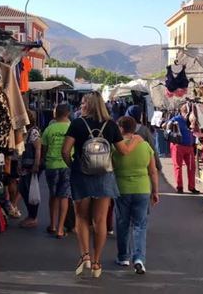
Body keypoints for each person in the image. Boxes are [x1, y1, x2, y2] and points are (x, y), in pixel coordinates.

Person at [62, 92, 143, 278]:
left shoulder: (77, 124)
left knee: (81, 218)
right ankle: (97, 261)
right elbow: (123, 151)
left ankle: (85, 256)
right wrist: (136, 140)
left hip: (81, 175)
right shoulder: (112, 125)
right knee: (100, 221)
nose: (81, 106)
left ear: (89, 105)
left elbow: (65, 151)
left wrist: (73, 165)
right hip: (105, 176)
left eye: (83, 103)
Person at [112, 116, 160, 274]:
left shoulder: (116, 147)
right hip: (142, 189)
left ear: (120, 128)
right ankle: (139, 258)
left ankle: (123, 256)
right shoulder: (145, 145)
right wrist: (155, 191)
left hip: (121, 188)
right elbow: (152, 171)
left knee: (122, 223)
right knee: (140, 225)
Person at [42, 104, 72, 238]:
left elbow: (44, 148)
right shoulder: (72, 128)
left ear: (55, 114)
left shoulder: (49, 129)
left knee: (53, 195)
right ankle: (60, 229)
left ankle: (52, 225)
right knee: (64, 196)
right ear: (68, 114)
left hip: (52, 165)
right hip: (67, 165)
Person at [19, 110, 42, 228]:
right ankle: (31, 215)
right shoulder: (26, 131)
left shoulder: (33, 131)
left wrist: (36, 165)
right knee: (24, 189)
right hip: (25, 166)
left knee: (30, 191)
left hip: (31, 166)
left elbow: (38, 148)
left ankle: (33, 217)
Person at [168, 103, 196, 194]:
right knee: (178, 166)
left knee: (192, 167)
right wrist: (170, 132)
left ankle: (191, 187)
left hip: (189, 146)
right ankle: (179, 186)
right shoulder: (176, 119)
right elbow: (166, 125)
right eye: (187, 112)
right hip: (178, 145)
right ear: (183, 112)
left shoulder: (192, 119)